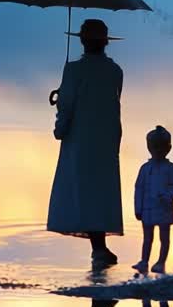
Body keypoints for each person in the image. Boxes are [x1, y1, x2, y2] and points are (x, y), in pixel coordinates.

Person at [48, 19, 125, 267]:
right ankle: (99, 248)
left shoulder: (73, 70)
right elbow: (112, 104)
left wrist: (60, 128)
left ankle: (99, 249)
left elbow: (67, 105)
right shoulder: (115, 71)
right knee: (101, 191)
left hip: (81, 138)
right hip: (106, 138)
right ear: (105, 43)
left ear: (82, 41)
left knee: (84, 190)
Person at [132, 125, 173, 273]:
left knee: (164, 237)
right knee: (147, 237)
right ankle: (144, 261)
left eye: (161, 148)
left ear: (168, 148)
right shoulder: (145, 168)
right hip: (147, 208)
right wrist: (138, 208)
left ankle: (161, 262)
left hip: (164, 208)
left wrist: (168, 196)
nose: (157, 151)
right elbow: (139, 189)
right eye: (154, 148)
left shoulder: (172, 168)